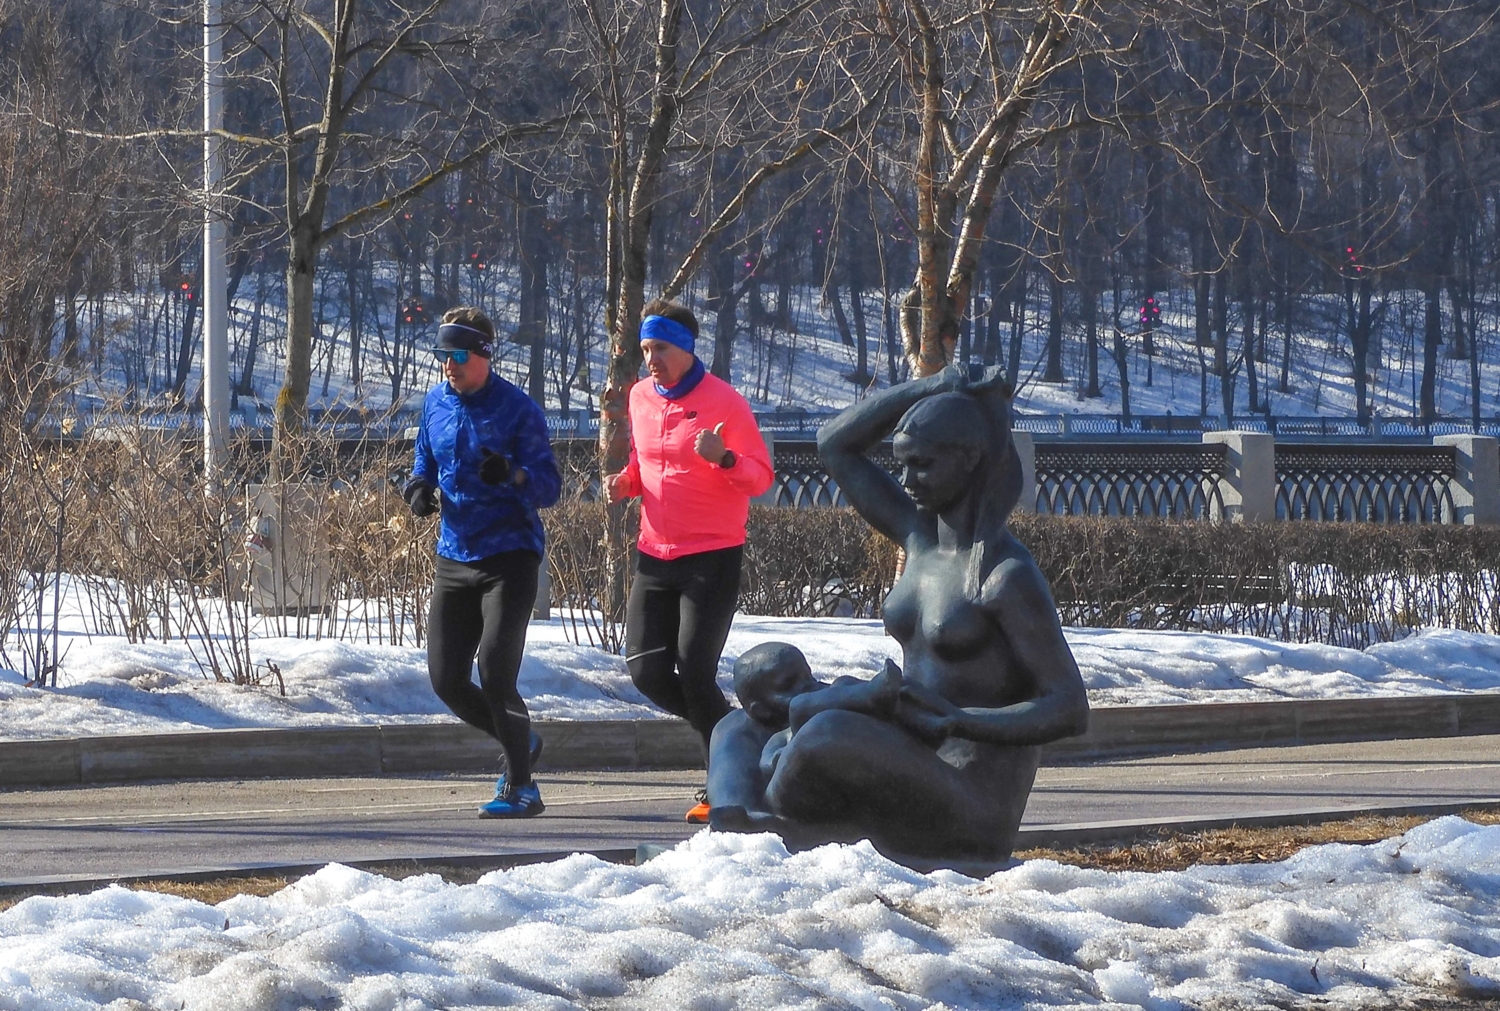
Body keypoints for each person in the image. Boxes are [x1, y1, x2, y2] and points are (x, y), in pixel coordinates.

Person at [705, 364, 1089, 867]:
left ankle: (773, 827)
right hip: (910, 749)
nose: (906, 481)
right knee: (739, 724)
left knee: (825, 733)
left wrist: (962, 721)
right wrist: (934, 383)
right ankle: (736, 826)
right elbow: (834, 445)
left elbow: (1069, 708)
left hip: (966, 796)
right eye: (902, 465)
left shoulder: (1003, 575)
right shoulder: (919, 537)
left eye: (923, 465)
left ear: (970, 461)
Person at [604, 299, 774, 822]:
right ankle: (740, 739)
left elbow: (760, 476)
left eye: (659, 349)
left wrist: (722, 458)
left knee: (696, 671)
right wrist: (627, 482)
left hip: (712, 555)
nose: (650, 359)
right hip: (654, 553)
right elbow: (644, 459)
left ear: (685, 349)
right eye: (645, 349)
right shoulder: (639, 397)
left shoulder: (725, 402)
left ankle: (721, 781)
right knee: (646, 670)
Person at [404, 306, 561, 818]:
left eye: (457, 354)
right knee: (446, 679)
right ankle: (520, 738)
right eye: (441, 355)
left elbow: (550, 487)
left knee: (495, 673)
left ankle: (523, 787)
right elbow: (424, 458)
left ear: (484, 356)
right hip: (454, 555)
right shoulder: (435, 403)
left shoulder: (518, 409)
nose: (447, 364)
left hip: (509, 557)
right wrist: (418, 488)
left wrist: (513, 475)